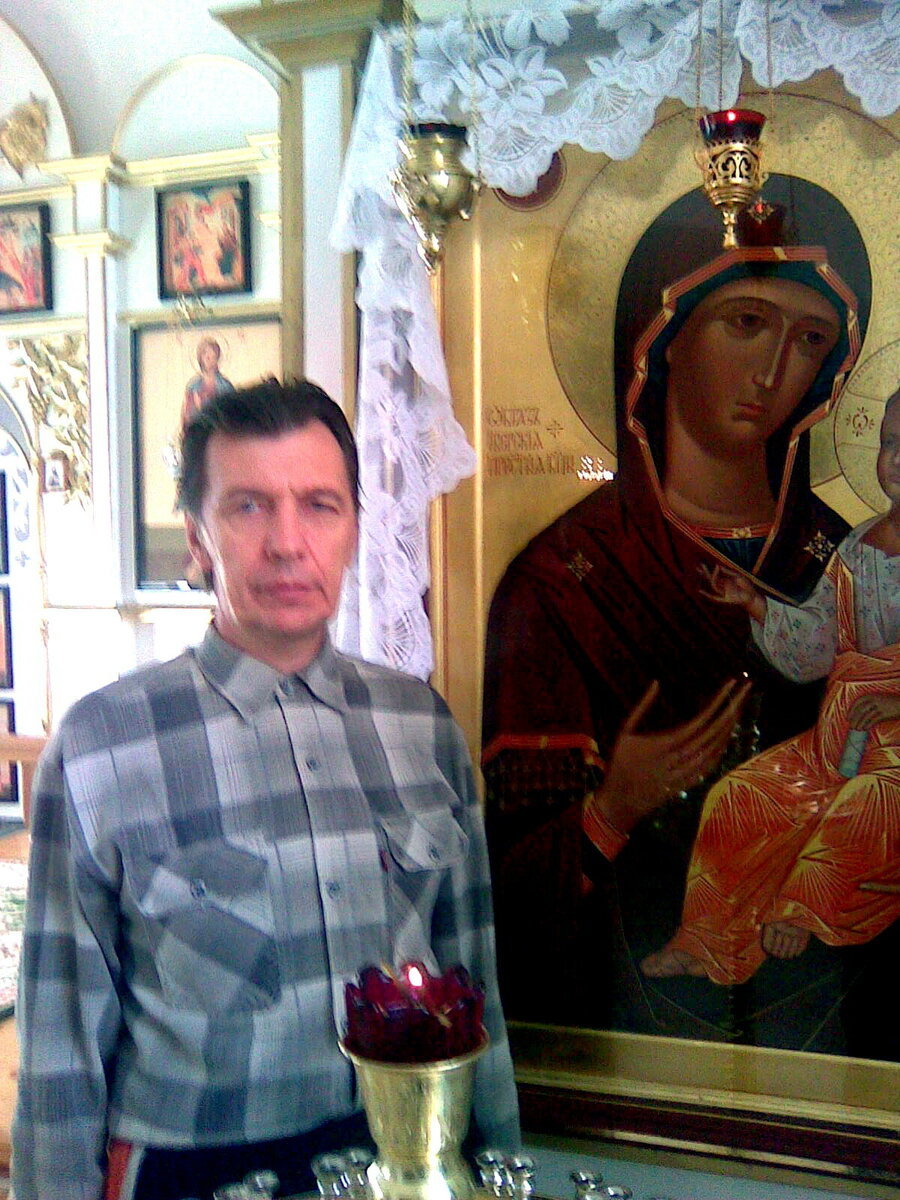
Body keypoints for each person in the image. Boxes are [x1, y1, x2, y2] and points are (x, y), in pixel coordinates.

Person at [13, 380, 520, 1200]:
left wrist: (495, 1171)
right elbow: (60, 1044)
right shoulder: (105, 745)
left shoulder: (419, 726)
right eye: (248, 507)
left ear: (354, 528)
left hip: (400, 1158)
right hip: (191, 1170)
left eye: (319, 505)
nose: (288, 543)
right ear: (198, 538)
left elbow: (474, 990)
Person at [483, 184, 874, 1043]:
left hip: (835, 1015)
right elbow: (507, 887)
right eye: (747, 323)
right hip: (626, 1021)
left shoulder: (852, 563)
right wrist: (613, 807)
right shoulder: (561, 585)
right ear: (659, 338)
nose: (774, 372)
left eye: (810, 339)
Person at [642, 386, 900, 985]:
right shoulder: (857, 548)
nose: (896, 459)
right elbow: (818, 642)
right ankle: (705, 940)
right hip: (837, 740)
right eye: (889, 443)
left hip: (894, 753)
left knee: (870, 802)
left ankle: (800, 910)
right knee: (742, 794)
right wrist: (755, 603)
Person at [182, 336, 235, 427]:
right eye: (205, 356)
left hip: (220, 428)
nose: (208, 360)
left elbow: (231, 411)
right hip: (199, 429)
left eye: (212, 356)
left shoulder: (225, 386)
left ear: (217, 359)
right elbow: (187, 415)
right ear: (200, 359)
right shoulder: (193, 386)